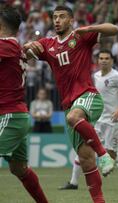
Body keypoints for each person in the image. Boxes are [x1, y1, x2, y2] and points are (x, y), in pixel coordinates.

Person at [23, 5, 118, 202]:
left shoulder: (80, 36)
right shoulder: (47, 44)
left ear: (71, 20)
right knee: (85, 159)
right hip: (68, 103)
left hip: (88, 96)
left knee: (73, 117)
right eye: (55, 17)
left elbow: (114, 30)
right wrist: (28, 46)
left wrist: (91, 29)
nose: (57, 20)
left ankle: (104, 155)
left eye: (62, 17)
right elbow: (27, 53)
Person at [59, 49, 118, 190]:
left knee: (110, 156)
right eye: (101, 58)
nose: (104, 60)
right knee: (83, 147)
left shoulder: (117, 76)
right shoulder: (94, 77)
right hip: (97, 120)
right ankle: (74, 182)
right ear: (97, 61)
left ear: (111, 60)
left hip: (113, 121)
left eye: (107, 58)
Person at [0, 6, 48, 202]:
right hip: (15, 115)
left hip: (8, 116)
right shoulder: (14, 47)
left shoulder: (6, 46)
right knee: (18, 168)